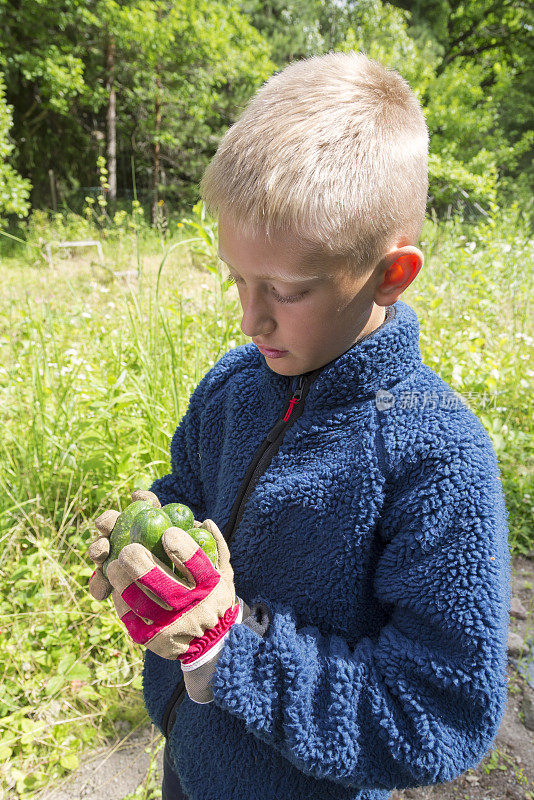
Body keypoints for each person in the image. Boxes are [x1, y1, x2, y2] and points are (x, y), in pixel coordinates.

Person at [87, 51, 512, 800]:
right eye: (237, 280)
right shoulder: (232, 387)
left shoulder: (437, 457)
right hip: (189, 767)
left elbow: (439, 714)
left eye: (284, 289)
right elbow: (187, 487)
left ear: (390, 274)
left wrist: (232, 652)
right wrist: (150, 536)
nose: (250, 318)